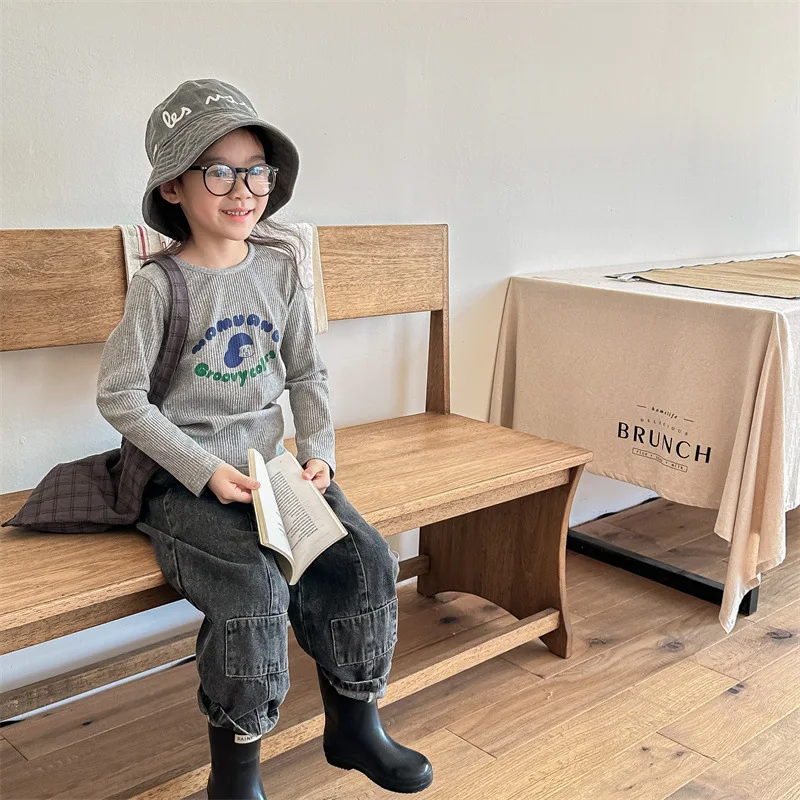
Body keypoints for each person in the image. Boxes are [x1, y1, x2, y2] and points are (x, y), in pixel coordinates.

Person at [96, 78, 433, 799]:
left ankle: (355, 724)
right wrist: (203, 470)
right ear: (175, 187)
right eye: (218, 171)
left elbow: (307, 372)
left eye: (256, 171)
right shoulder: (160, 285)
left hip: (272, 470)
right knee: (253, 589)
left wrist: (318, 453)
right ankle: (236, 773)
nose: (242, 190)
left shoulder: (279, 269)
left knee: (363, 559)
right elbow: (120, 395)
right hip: (184, 480)